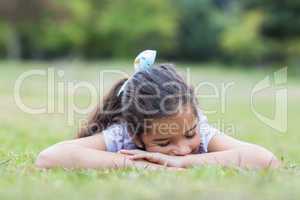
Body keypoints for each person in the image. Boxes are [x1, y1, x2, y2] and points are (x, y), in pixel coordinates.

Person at [36, 50, 280, 170]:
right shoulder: (121, 135)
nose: (183, 149)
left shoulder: (200, 132)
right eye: (164, 143)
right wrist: (146, 166)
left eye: (189, 134)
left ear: (196, 118)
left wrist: (180, 164)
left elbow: (266, 160)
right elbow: (49, 158)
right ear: (135, 135)